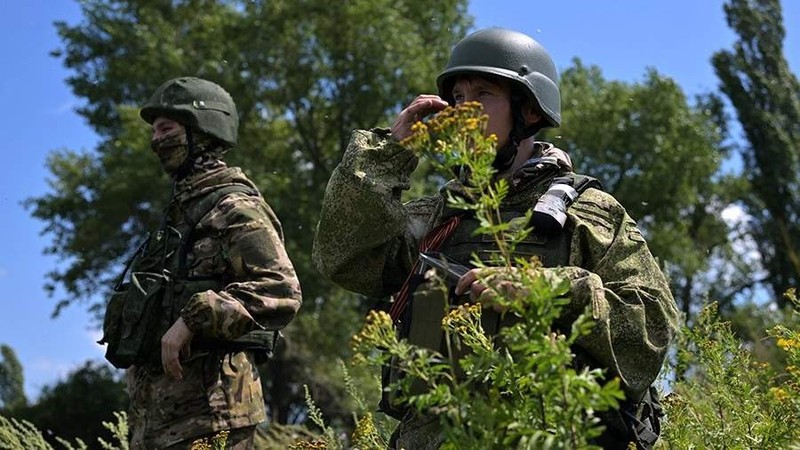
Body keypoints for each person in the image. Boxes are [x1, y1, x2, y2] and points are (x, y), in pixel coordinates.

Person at [312, 28, 679, 449]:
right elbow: (343, 258)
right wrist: (389, 154)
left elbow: (651, 326)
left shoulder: (587, 213)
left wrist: (546, 289)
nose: (464, 110)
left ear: (530, 111)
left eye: (483, 95)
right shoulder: (437, 216)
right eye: (457, 98)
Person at [99, 76, 302, 449]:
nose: (156, 140)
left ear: (201, 129)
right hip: (157, 421)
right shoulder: (177, 218)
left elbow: (281, 288)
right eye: (154, 131)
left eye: (166, 128)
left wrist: (191, 319)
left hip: (214, 414)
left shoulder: (235, 208)